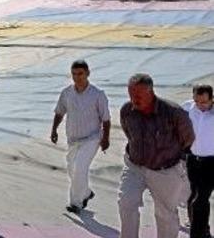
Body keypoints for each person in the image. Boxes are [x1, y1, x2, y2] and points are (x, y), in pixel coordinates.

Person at [118, 73, 195, 238]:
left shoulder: (174, 113)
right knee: (126, 203)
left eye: (138, 95)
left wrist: (174, 160)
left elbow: (188, 139)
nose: (134, 100)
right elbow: (129, 134)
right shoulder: (127, 111)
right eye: (131, 95)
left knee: (165, 214)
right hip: (134, 167)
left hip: (165, 170)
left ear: (151, 92)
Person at [50, 60, 111, 214]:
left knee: (80, 168)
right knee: (72, 169)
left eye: (80, 74)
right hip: (73, 139)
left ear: (88, 73)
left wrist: (106, 139)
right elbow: (59, 112)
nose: (77, 77)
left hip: (92, 138)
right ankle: (86, 192)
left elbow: (106, 119)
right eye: (74, 74)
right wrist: (54, 130)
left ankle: (76, 203)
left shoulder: (98, 94)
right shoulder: (66, 93)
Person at [183, 84, 213, 238]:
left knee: (201, 198)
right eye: (197, 101)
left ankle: (196, 234)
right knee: (193, 195)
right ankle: (204, 230)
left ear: (212, 99)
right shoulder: (187, 108)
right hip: (193, 160)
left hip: (212, 163)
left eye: (204, 102)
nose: (200, 105)